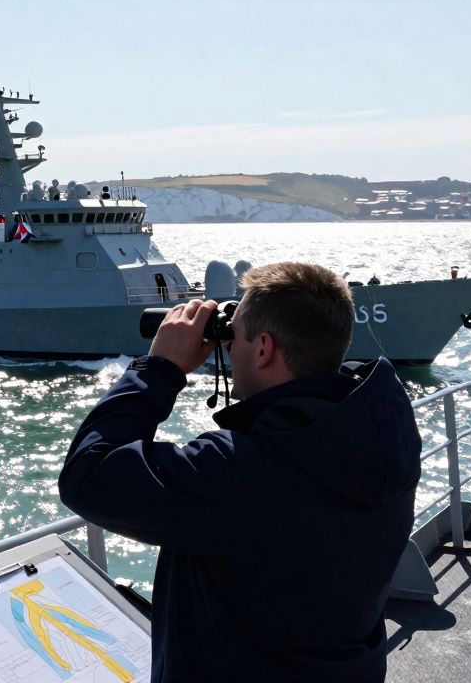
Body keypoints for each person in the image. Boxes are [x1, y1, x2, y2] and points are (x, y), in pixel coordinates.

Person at [58, 262, 421, 682]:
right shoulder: (382, 435)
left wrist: (159, 368)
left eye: (234, 335)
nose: (227, 348)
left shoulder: (241, 472)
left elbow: (89, 473)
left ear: (264, 349)